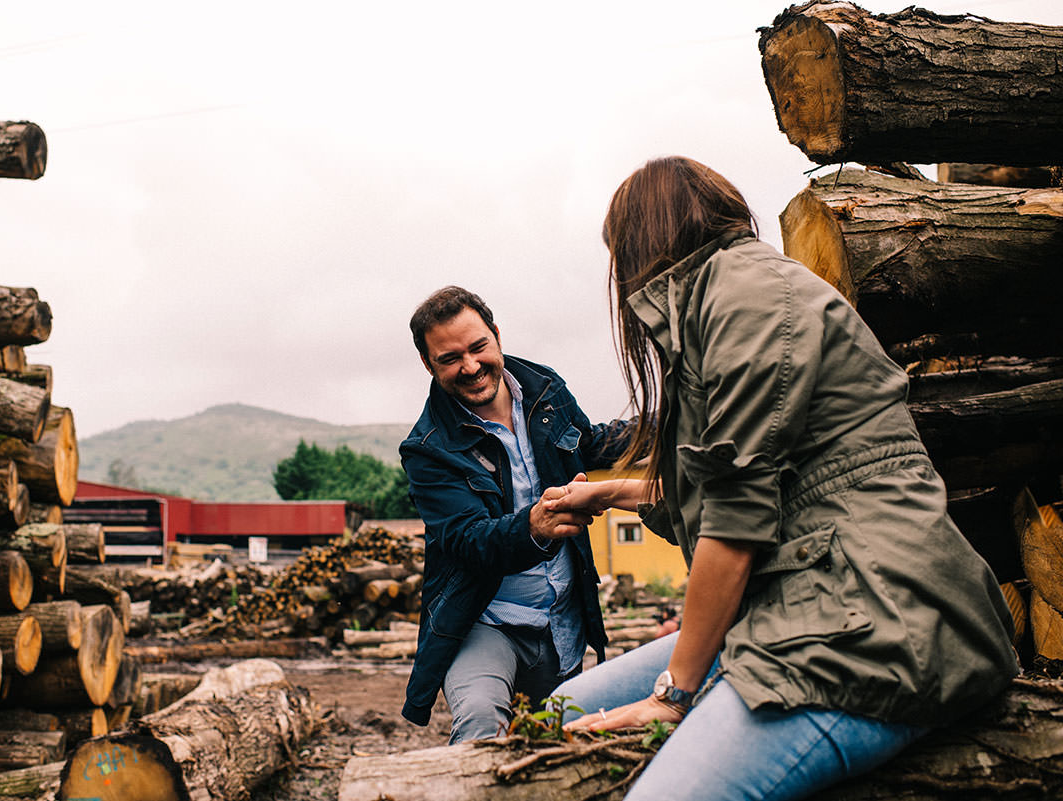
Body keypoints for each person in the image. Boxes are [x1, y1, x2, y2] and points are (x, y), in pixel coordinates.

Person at [543, 157, 1019, 801]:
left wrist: (676, 694)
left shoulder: (748, 301)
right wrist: (608, 491)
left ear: (644, 243)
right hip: (799, 601)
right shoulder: (719, 301)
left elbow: (733, 524)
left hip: (875, 620)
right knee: (564, 712)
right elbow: (724, 483)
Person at [399, 286, 628, 742]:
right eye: (449, 358)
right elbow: (468, 539)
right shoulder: (427, 450)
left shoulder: (546, 389)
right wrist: (534, 527)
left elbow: (586, 443)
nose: (470, 366)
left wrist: (658, 427)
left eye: (478, 347)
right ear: (429, 364)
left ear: (496, 335)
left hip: (563, 618)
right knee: (482, 723)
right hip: (485, 621)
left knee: (561, 744)